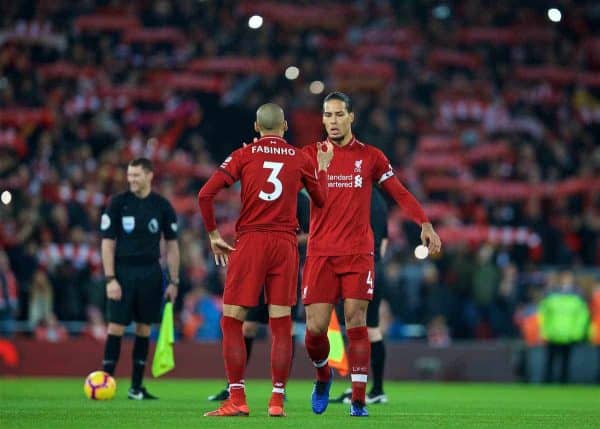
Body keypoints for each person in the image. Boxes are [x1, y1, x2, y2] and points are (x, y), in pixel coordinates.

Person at [302, 92, 441, 417]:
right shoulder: (310, 156)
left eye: (339, 115)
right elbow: (283, 185)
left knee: (356, 321)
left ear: (351, 117)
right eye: (328, 115)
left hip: (357, 254)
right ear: (322, 119)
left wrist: (424, 222)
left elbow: (399, 192)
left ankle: (360, 400)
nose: (333, 121)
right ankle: (323, 375)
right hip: (321, 253)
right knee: (315, 330)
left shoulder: (371, 157)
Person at [198, 103, 332, 417]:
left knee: (232, 320)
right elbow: (321, 201)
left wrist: (214, 235)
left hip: (252, 241)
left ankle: (237, 399)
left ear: (256, 127)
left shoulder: (243, 155)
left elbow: (205, 194)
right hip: (285, 245)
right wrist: (322, 167)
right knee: (281, 324)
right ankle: (276, 401)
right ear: (284, 126)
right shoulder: (300, 158)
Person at [207, 191, 311, 402]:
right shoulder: (267, 192)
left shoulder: (300, 200)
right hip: (258, 268)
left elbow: (312, 233)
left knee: (284, 326)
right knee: (248, 326)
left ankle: (281, 388)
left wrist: (284, 236)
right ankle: (233, 385)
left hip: (285, 267)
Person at [100, 157, 180, 400]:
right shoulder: (118, 203)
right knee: (116, 326)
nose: (131, 180)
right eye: (129, 175)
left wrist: (174, 281)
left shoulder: (162, 206)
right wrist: (110, 278)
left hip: (150, 272)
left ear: (149, 175)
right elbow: (107, 244)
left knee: (145, 328)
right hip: (122, 272)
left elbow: (173, 246)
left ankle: (136, 387)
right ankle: (105, 382)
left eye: (136, 175)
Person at [331, 187, 390, 405]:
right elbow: (384, 242)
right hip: (375, 266)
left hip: (357, 264)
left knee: (356, 327)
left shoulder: (355, 195)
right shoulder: (381, 202)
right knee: (369, 329)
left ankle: (368, 388)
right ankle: (373, 388)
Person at [540, 271, 589, 384]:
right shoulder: (551, 294)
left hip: (568, 334)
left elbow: (582, 316)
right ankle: (547, 383)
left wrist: (577, 332)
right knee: (550, 360)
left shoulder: (577, 296)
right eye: (564, 277)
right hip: (553, 333)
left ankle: (563, 383)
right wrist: (544, 330)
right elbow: (543, 314)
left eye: (568, 277)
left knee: (565, 361)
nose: (566, 280)